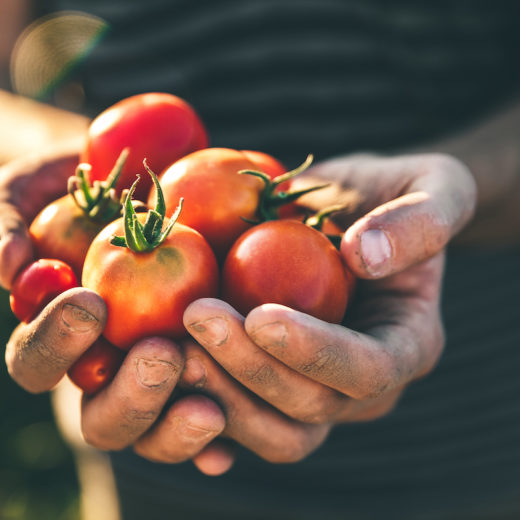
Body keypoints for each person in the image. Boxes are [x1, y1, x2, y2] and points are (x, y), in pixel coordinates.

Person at [1, 1, 520, 519]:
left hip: (477, 444)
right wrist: (71, 162)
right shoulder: (172, 229)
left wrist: (462, 185)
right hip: (152, 463)